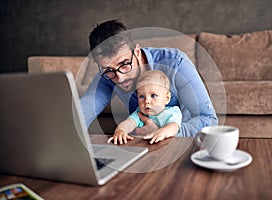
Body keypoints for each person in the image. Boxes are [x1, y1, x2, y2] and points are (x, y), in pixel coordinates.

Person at [80, 19, 218, 138]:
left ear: (137, 52)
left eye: (124, 64)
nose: (119, 77)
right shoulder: (107, 75)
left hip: (183, 142)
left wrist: (163, 133)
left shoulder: (176, 63)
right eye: (108, 69)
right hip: (142, 143)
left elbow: (209, 120)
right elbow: (83, 112)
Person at [107, 70, 182, 145]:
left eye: (153, 95)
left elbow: (174, 127)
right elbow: (129, 123)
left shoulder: (172, 112)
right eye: (141, 96)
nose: (146, 101)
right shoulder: (139, 113)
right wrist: (120, 131)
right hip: (146, 146)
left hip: (167, 147)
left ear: (167, 98)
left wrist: (163, 132)